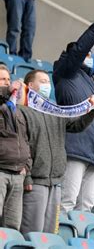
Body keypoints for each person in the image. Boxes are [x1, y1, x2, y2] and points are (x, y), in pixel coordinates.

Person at [19, 70, 94, 234]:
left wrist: (92, 109)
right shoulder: (23, 111)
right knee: (32, 232)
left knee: (50, 233)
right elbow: (23, 147)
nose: (47, 85)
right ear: (30, 85)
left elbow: (77, 125)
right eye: (42, 81)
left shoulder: (55, 110)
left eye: (48, 82)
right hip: (35, 181)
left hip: (55, 183)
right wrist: (27, 176)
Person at [53, 7, 94, 213]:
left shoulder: (92, 82)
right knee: (67, 202)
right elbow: (77, 52)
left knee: (86, 206)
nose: (88, 56)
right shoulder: (65, 72)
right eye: (84, 53)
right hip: (75, 149)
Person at [0, 65, 31, 231]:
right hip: (1, 171)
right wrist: (5, 92)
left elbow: (25, 140)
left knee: (12, 226)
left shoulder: (17, 110)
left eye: (7, 79)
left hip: (18, 173)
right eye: (1, 79)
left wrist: (26, 167)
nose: (6, 82)